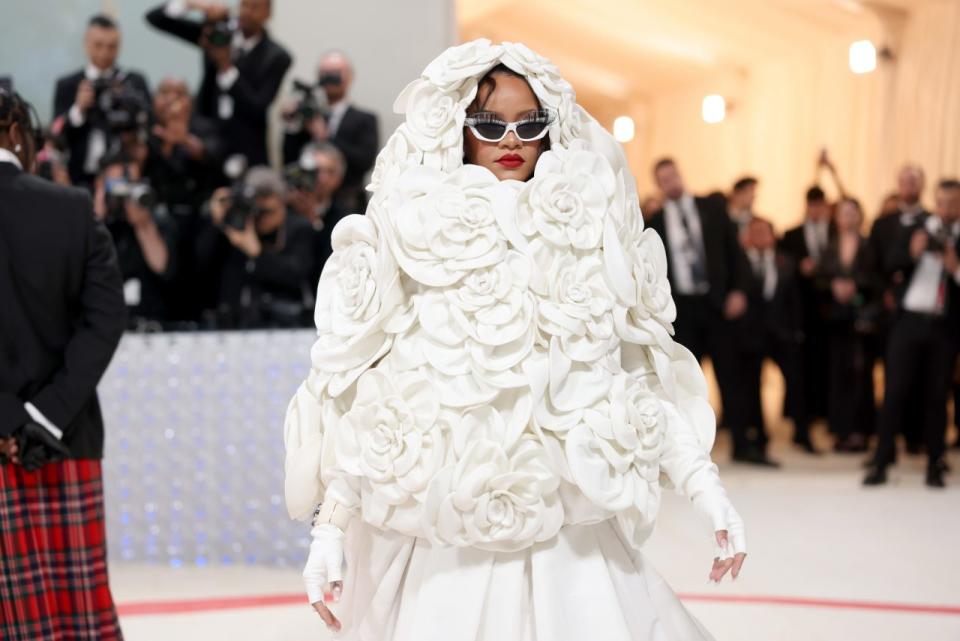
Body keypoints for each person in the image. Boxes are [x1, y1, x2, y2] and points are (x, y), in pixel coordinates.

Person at [284, 41, 747, 641]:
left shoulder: (583, 236)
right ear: (458, 127)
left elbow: (626, 388)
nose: (511, 139)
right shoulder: (424, 237)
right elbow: (389, 403)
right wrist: (330, 528)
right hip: (455, 533)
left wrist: (706, 490)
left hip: (569, 527)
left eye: (530, 123)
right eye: (489, 123)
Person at [0, 89, 126, 640]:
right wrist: (43, 416)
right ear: (13, 130)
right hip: (63, 439)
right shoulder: (71, 208)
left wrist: (6, 419)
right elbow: (105, 319)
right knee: (76, 616)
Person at [647, 159, 767, 465]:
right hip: (681, 310)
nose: (670, 182)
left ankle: (742, 444)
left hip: (717, 305)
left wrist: (739, 290)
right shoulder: (655, 221)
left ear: (680, 175)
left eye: (672, 175)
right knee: (686, 381)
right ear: (658, 185)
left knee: (731, 376)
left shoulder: (711, 207)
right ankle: (689, 449)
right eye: (663, 179)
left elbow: (735, 252)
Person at [865, 179, 960, 488]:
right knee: (894, 392)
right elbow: (889, 263)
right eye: (942, 202)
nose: (946, 209)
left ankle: (935, 461)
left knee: (936, 394)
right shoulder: (916, 228)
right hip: (907, 322)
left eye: (953, 203)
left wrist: (955, 267)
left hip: (943, 325)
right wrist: (912, 251)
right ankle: (881, 460)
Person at [145, 0, 292, 167]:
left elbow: (257, 106)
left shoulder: (276, 57)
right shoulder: (217, 35)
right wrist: (190, 5)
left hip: (246, 148)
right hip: (207, 145)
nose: (247, 12)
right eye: (244, 5)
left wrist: (225, 66)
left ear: (268, 13)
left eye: (255, 7)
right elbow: (156, 19)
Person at [144, 76, 225, 323]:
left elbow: (214, 157)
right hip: (157, 219)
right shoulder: (147, 129)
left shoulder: (203, 126)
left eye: (179, 94)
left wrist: (184, 140)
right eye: (165, 93)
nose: (172, 100)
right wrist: (165, 146)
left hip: (197, 219)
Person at [197, 166, 314, 328]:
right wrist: (218, 223)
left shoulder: (299, 228)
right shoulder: (238, 226)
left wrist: (256, 253)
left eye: (267, 212)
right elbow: (202, 265)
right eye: (257, 211)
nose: (260, 218)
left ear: (282, 201)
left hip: (283, 324)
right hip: (233, 323)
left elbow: (296, 273)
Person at [866, 164, 932, 454]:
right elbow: (873, 266)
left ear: (922, 185)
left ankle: (918, 439)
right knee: (893, 383)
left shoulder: (932, 222)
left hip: (927, 315)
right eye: (904, 181)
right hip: (890, 315)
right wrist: (886, 293)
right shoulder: (882, 224)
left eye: (914, 181)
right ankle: (885, 448)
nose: (909, 186)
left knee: (924, 381)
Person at [738, 217, 815, 455]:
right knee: (751, 387)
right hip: (753, 335)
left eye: (764, 232)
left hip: (783, 335)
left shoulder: (786, 262)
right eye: (755, 232)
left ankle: (802, 434)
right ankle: (759, 436)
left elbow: (795, 300)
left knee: (797, 383)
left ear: (773, 235)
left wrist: (797, 331)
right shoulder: (741, 263)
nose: (760, 236)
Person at [52, 14, 151, 189]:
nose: (105, 52)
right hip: (78, 176)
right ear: (86, 43)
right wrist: (79, 108)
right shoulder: (69, 84)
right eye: (98, 45)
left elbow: (148, 124)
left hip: (124, 173)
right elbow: (57, 134)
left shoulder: (133, 81)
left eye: (112, 46)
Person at [816, 198, 878, 453]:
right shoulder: (830, 246)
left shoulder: (868, 245)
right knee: (838, 373)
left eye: (853, 212)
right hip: (837, 319)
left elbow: (876, 276)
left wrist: (855, 286)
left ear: (860, 216)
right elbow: (819, 278)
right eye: (844, 213)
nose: (848, 217)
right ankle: (841, 430)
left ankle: (860, 431)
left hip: (862, 318)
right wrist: (834, 286)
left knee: (861, 374)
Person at [282, 51, 379, 212]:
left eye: (336, 73)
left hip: (348, 202)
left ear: (350, 78)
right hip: (307, 202)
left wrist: (325, 136)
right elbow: (289, 159)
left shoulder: (365, 119)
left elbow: (364, 162)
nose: (330, 78)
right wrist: (291, 124)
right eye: (325, 73)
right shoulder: (308, 115)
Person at [94, 151, 179, 328]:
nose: (123, 194)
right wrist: (95, 220)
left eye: (131, 185)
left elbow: (162, 266)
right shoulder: (90, 226)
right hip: (101, 327)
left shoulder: (158, 221)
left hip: (148, 323)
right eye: (117, 186)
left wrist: (143, 224)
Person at [779, 185, 833, 421]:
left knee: (828, 360)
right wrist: (800, 266)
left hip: (830, 305)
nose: (816, 209)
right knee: (803, 361)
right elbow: (783, 263)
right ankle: (803, 412)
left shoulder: (835, 231)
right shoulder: (792, 234)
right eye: (812, 205)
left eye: (820, 205)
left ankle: (825, 409)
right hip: (802, 306)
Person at [285, 142, 347, 285]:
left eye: (330, 172)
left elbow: (332, 262)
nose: (322, 178)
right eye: (317, 170)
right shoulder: (284, 206)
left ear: (339, 179)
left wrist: (313, 220)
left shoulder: (344, 216)